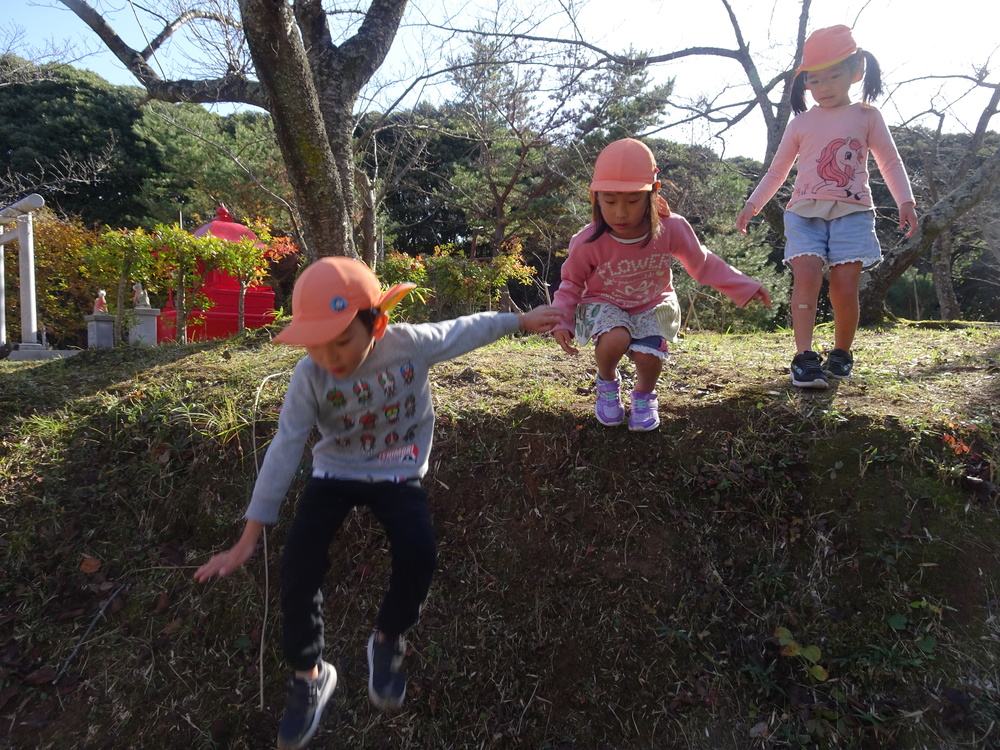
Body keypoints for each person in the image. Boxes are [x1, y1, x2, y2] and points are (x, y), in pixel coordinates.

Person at [194, 256, 561, 750]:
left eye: (342, 341)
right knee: (298, 565)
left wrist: (520, 321)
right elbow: (285, 447)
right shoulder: (310, 375)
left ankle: (388, 639)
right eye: (317, 345)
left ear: (377, 323)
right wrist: (248, 537)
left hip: (397, 469)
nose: (331, 357)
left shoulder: (408, 344)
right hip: (335, 473)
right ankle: (309, 675)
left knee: (419, 552)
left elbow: (464, 328)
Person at [736, 25, 918, 389]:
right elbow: (777, 170)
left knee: (845, 287)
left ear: (856, 71)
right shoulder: (801, 123)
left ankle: (841, 353)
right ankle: (804, 357)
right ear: (805, 84)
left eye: (834, 75)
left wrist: (905, 201)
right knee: (806, 276)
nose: (825, 86)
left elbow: (890, 162)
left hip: (852, 212)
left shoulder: (867, 116)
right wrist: (753, 204)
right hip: (803, 212)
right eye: (815, 80)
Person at [552, 138, 772, 431]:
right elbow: (571, 283)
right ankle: (607, 382)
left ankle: (643, 396)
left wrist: (743, 286)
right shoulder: (588, 241)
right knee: (615, 338)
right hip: (604, 303)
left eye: (632, 201)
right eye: (610, 201)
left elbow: (702, 263)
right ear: (595, 198)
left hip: (653, 302)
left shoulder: (672, 228)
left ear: (653, 195)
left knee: (647, 353)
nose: (620, 212)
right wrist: (561, 320)